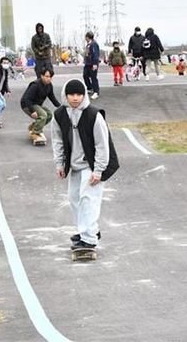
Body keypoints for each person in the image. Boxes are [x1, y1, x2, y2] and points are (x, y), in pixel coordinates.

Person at [52, 79, 119, 250]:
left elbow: (102, 145)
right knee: (74, 198)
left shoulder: (93, 115)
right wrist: (60, 164)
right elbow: (57, 141)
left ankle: (89, 240)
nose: (75, 98)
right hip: (74, 165)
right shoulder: (59, 115)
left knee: (88, 199)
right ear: (65, 95)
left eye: (79, 94)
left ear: (84, 95)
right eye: (71, 94)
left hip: (92, 164)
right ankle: (89, 230)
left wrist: (98, 171)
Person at [21, 66, 60, 140]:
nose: (49, 79)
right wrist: (32, 111)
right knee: (43, 115)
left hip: (37, 104)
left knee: (49, 115)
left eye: (51, 77)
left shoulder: (49, 85)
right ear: (42, 76)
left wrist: (60, 106)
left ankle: (34, 126)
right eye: (47, 76)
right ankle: (35, 132)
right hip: (27, 105)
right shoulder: (35, 85)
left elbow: (52, 97)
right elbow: (27, 99)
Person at [83, 31, 100, 99]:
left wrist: (95, 64)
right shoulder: (88, 44)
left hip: (92, 64)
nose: (85, 38)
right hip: (87, 63)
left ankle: (96, 92)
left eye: (85, 37)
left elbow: (95, 54)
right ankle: (90, 88)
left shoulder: (94, 44)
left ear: (88, 37)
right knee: (85, 76)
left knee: (93, 77)